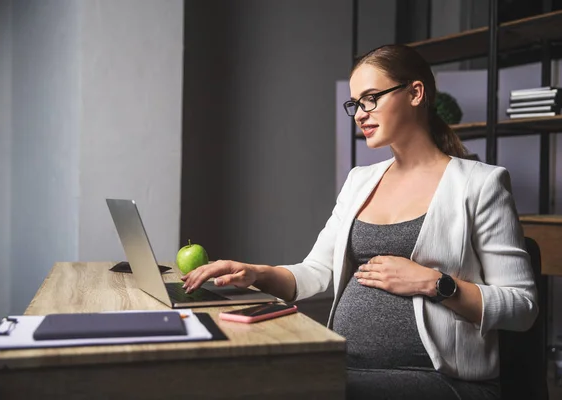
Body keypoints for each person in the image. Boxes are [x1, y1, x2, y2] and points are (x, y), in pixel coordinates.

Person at [181, 44, 539, 400]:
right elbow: (316, 272)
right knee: (233, 381)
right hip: (344, 362)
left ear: (415, 93)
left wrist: (434, 283)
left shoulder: (480, 183)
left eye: (371, 98)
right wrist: (256, 274)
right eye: (355, 103)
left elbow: (522, 307)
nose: (360, 114)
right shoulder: (360, 180)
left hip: (439, 378)